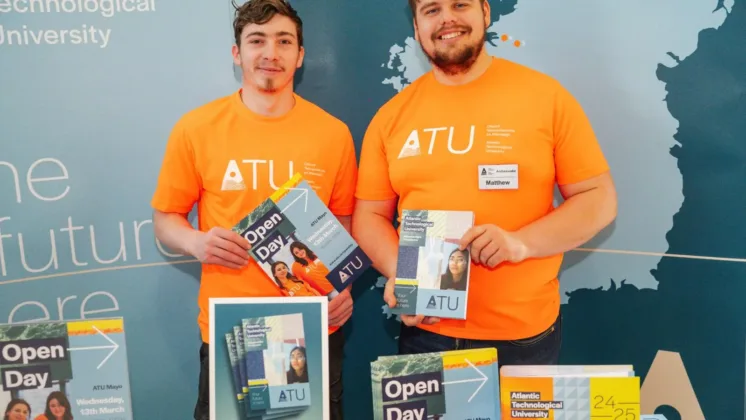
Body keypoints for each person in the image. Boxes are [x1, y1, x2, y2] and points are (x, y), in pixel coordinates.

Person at [352, 0, 617, 365]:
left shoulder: (545, 97)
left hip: (523, 338)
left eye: (460, 4)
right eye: (431, 10)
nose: (447, 17)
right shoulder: (391, 117)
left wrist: (520, 244)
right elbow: (369, 215)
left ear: (486, 13)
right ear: (416, 28)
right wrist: (404, 273)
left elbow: (599, 197)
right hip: (425, 334)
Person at [150, 1, 356, 419]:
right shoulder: (196, 129)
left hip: (312, 329)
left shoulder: (333, 134)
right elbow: (165, 219)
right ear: (236, 53)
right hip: (234, 330)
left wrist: (344, 289)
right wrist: (195, 241)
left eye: (284, 42)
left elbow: (343, 227)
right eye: (257, 40)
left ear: (300, 56)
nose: (271, 53)